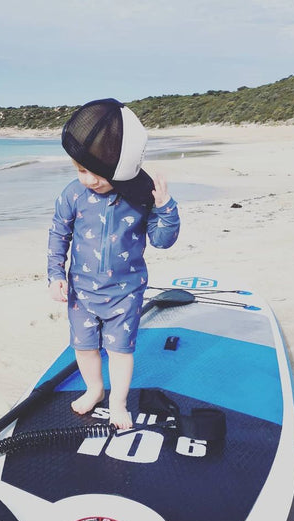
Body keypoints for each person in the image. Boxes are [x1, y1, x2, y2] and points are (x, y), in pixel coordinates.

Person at [47, 98, 180, 429]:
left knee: (120, 351)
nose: (89, 180)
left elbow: (163, 241)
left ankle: (118, 402)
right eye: (80, 171)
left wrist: (165, 208)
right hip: (81, 290)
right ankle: (94, 389)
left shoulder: (139, 198)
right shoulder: (72, 195)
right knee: (85, 346)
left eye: (98, 175)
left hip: (126, 292)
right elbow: (58, 234)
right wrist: (55, 275)